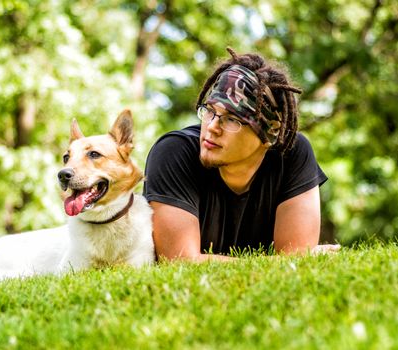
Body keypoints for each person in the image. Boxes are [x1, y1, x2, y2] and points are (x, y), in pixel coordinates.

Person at [143, 48, 339, 261]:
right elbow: (181, 261)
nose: (212, 127)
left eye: (232, 119)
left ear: (270, 134)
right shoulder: (174, 152)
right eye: (210, 111)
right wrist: (282, 261)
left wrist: (293, 259)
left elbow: (294, 262)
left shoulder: (291, 154)